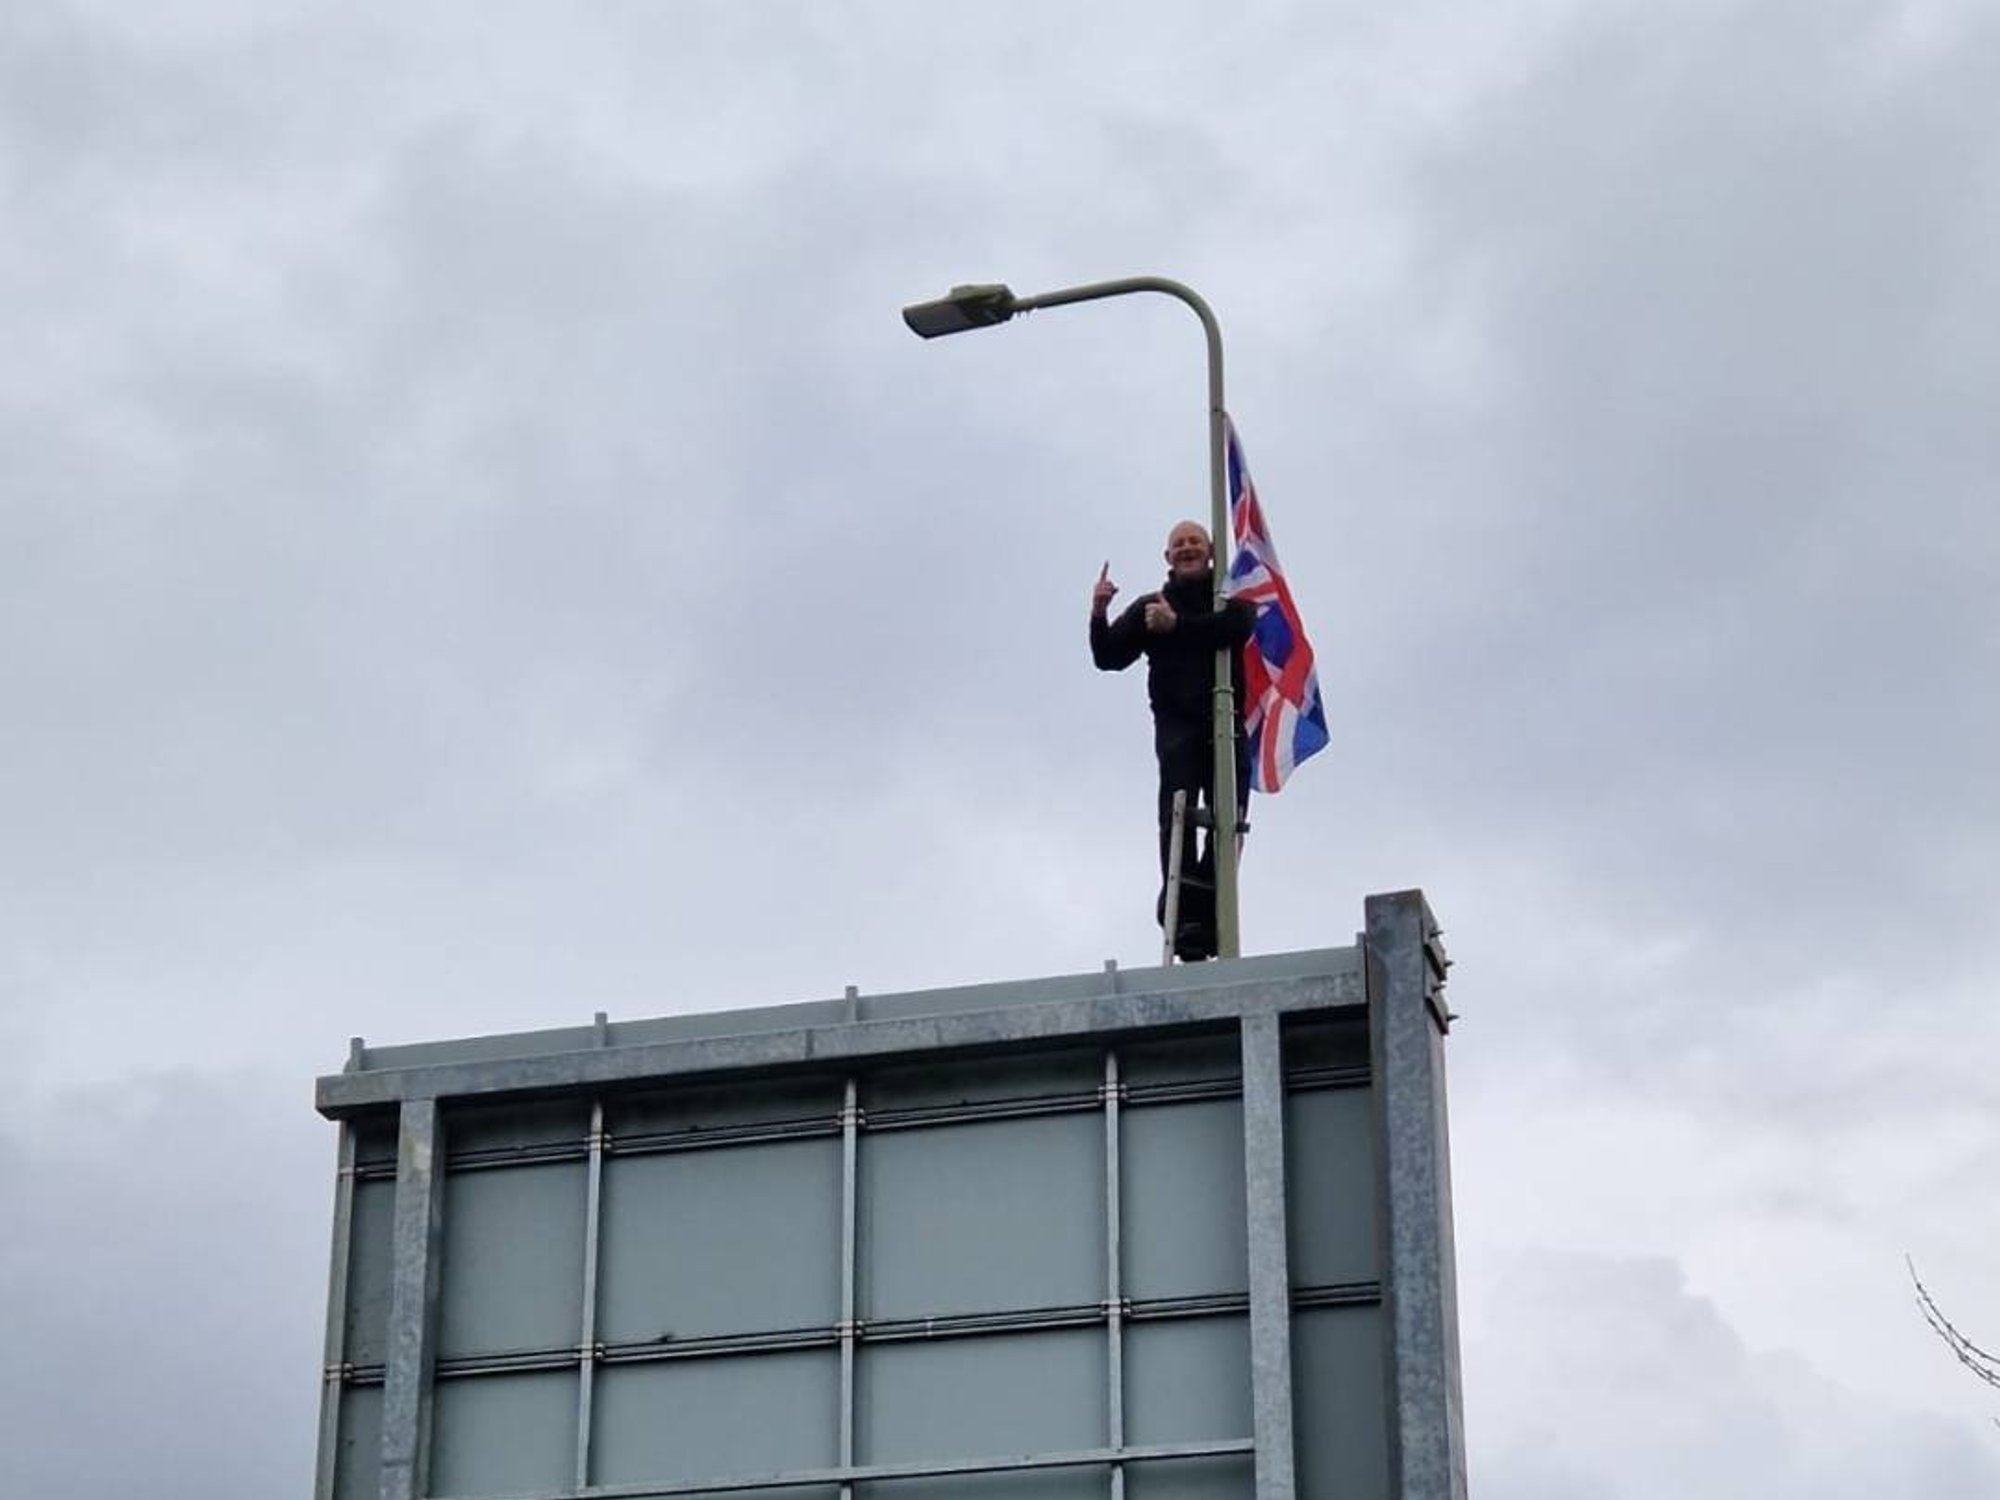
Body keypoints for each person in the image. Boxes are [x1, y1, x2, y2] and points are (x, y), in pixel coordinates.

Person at [1090, 520, 1253, 961]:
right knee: (1177, 814)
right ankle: (1182, 918)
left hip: (1227, 723)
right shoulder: (1151, 607)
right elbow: (1108, 657)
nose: (1186, 549)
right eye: (1178, 544)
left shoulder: (1232, 602)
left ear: (1211, 551)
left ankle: (1214, 909)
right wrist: (1099, 611)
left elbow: (1233, 629)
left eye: (1194, 542)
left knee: (1229, 817)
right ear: (1167, 557)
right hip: (1178, 724)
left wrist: (1176, 626)